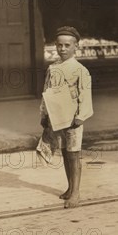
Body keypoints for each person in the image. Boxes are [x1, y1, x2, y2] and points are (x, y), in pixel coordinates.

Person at [39, 26, 93, 208]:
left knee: (74, 154)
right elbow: (46, 92)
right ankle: (70, 187)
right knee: (64, 152)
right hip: (57, 117)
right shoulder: (52, 68)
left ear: (75, 46)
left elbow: (85, 94)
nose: (62, 49)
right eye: (59, 45)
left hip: (73, 119)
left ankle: (76, 193)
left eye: (67, 45)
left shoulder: (80, 70)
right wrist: (45, 114)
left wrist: (80, 117)